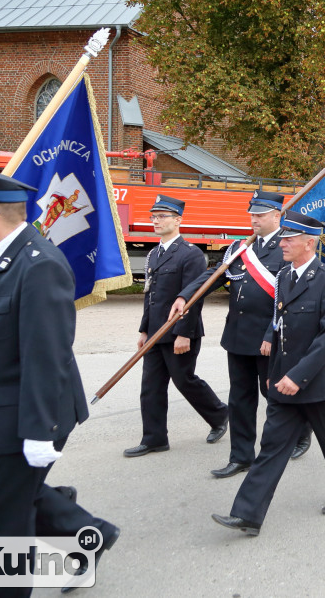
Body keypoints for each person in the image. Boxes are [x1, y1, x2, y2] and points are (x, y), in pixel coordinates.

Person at [0, 168, 119, 595]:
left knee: (6, 530)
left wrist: (37, 432)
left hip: (22, 420)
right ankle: (89, 536)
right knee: (9, 503)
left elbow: (47, 355)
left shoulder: (39, 264)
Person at [212, 211, 325, 535]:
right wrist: (275, 372)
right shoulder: (283, 277)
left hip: (318, 380)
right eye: (283, 237)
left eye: (290, 238)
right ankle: (247, 513)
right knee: (272, 446)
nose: (283, 242)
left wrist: (298, 376)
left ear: (310, 243)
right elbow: (280, 329)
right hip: (284, 379)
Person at [171, 191, 309, 478]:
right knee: (240, 398)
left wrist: (272, 334)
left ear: (276, 216)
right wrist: (186, 296)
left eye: (260, 215)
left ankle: (300, 433)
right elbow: (214, 275)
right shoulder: (239, 246)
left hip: (268, 337)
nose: (254, 219)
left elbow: (291, 298)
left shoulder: (286, 247)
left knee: (274, 394)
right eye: (252, 214)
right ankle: (241, 456)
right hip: (238, 335)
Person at [126, 195, 228, 457]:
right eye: (153, 216)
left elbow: (194, 298)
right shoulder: (153, 254)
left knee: (185, 380)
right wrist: (144, 329)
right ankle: (154, 438)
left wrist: (183, 334)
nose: (156, 220)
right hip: (156, 333)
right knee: (151, 387)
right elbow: (151, 296)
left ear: (178, 220)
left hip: (180, 333)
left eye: (162, 216)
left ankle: (219, 415)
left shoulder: (190, 254)